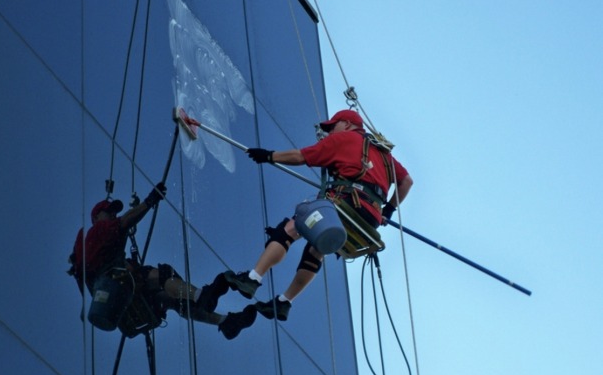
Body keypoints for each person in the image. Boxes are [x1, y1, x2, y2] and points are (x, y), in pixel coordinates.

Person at [223, 109, 413, 322]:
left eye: (333, 126)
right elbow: (406, 182)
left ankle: (252, 278)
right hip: (369, 221)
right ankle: (285, 302)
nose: (331, 131)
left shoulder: (344, 139)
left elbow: (300, 156)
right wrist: (389, 209)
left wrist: (269, 156)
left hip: (345, 205)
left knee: (292, 227)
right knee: (317, 247)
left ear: (348, 125)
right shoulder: (385, 156)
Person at [68, 182, 256, 340]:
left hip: (122, 300)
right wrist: (150, 201)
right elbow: (124, 222)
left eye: (113, 212)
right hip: (118, 283)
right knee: (163, 276)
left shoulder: (85, 252)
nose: (112, 215)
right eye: (108, 212)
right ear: (95, 216)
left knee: (174, 301)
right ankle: (202, 295)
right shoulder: (97, 230)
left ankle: (224, 322)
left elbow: (120, 227)